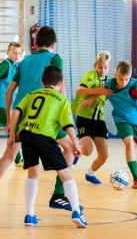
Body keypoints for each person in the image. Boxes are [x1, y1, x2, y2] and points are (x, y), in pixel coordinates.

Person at [0, 26, 81, 213]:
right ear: (53, 44)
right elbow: (59, 87)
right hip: (44, 116)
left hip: (22, 116)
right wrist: (66, 116)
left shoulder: (24, 61)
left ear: (35, 43)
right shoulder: (55, 59)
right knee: (70, 148)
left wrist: (10, 120)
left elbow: (9, 91)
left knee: (8, 157)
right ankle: (58, 195)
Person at [7, 65, 87, 227]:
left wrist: (11, 136)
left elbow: (16, 112)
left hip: (26, 135)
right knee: (65, 174)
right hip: (44, 137)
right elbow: (68, 125)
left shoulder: (31, 94)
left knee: (32, 173)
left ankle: (29, 215)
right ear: (60, 83)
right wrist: (75, 144)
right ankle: (77, 212)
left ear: (42, 81)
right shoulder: (61, 99)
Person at [105, 60, 137, 189]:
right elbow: (100, 93)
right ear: (115, 74)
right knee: (129, 144)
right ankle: (136, 178)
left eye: (126, 79)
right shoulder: (109, 85)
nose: (123, 82)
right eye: (120, 79)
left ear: (130, 76)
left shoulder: (133, 86)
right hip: (121, 119)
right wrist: (90, 100)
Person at [71, 50, 113, 185]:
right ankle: (76, 148)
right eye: (100, 67)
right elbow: (79, 90)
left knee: (104, 155)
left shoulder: (109, 81)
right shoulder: (91, 75)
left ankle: (90, 174)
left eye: (105, 67)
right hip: (84, 117)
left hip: (99, 119)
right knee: (88, 152)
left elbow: (103, 91)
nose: (103, 70)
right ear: (95, 65)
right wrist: (95, 93)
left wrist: (93, 97)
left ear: (109, 67)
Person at [0, 42, 24, 167]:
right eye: (14, 53)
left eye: (18, 53)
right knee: (13, 128)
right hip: (0, 104)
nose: (16, 55)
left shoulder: (15, 66)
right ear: (7, 53)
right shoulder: (5, 65)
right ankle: (18, 159)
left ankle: (18, 159)